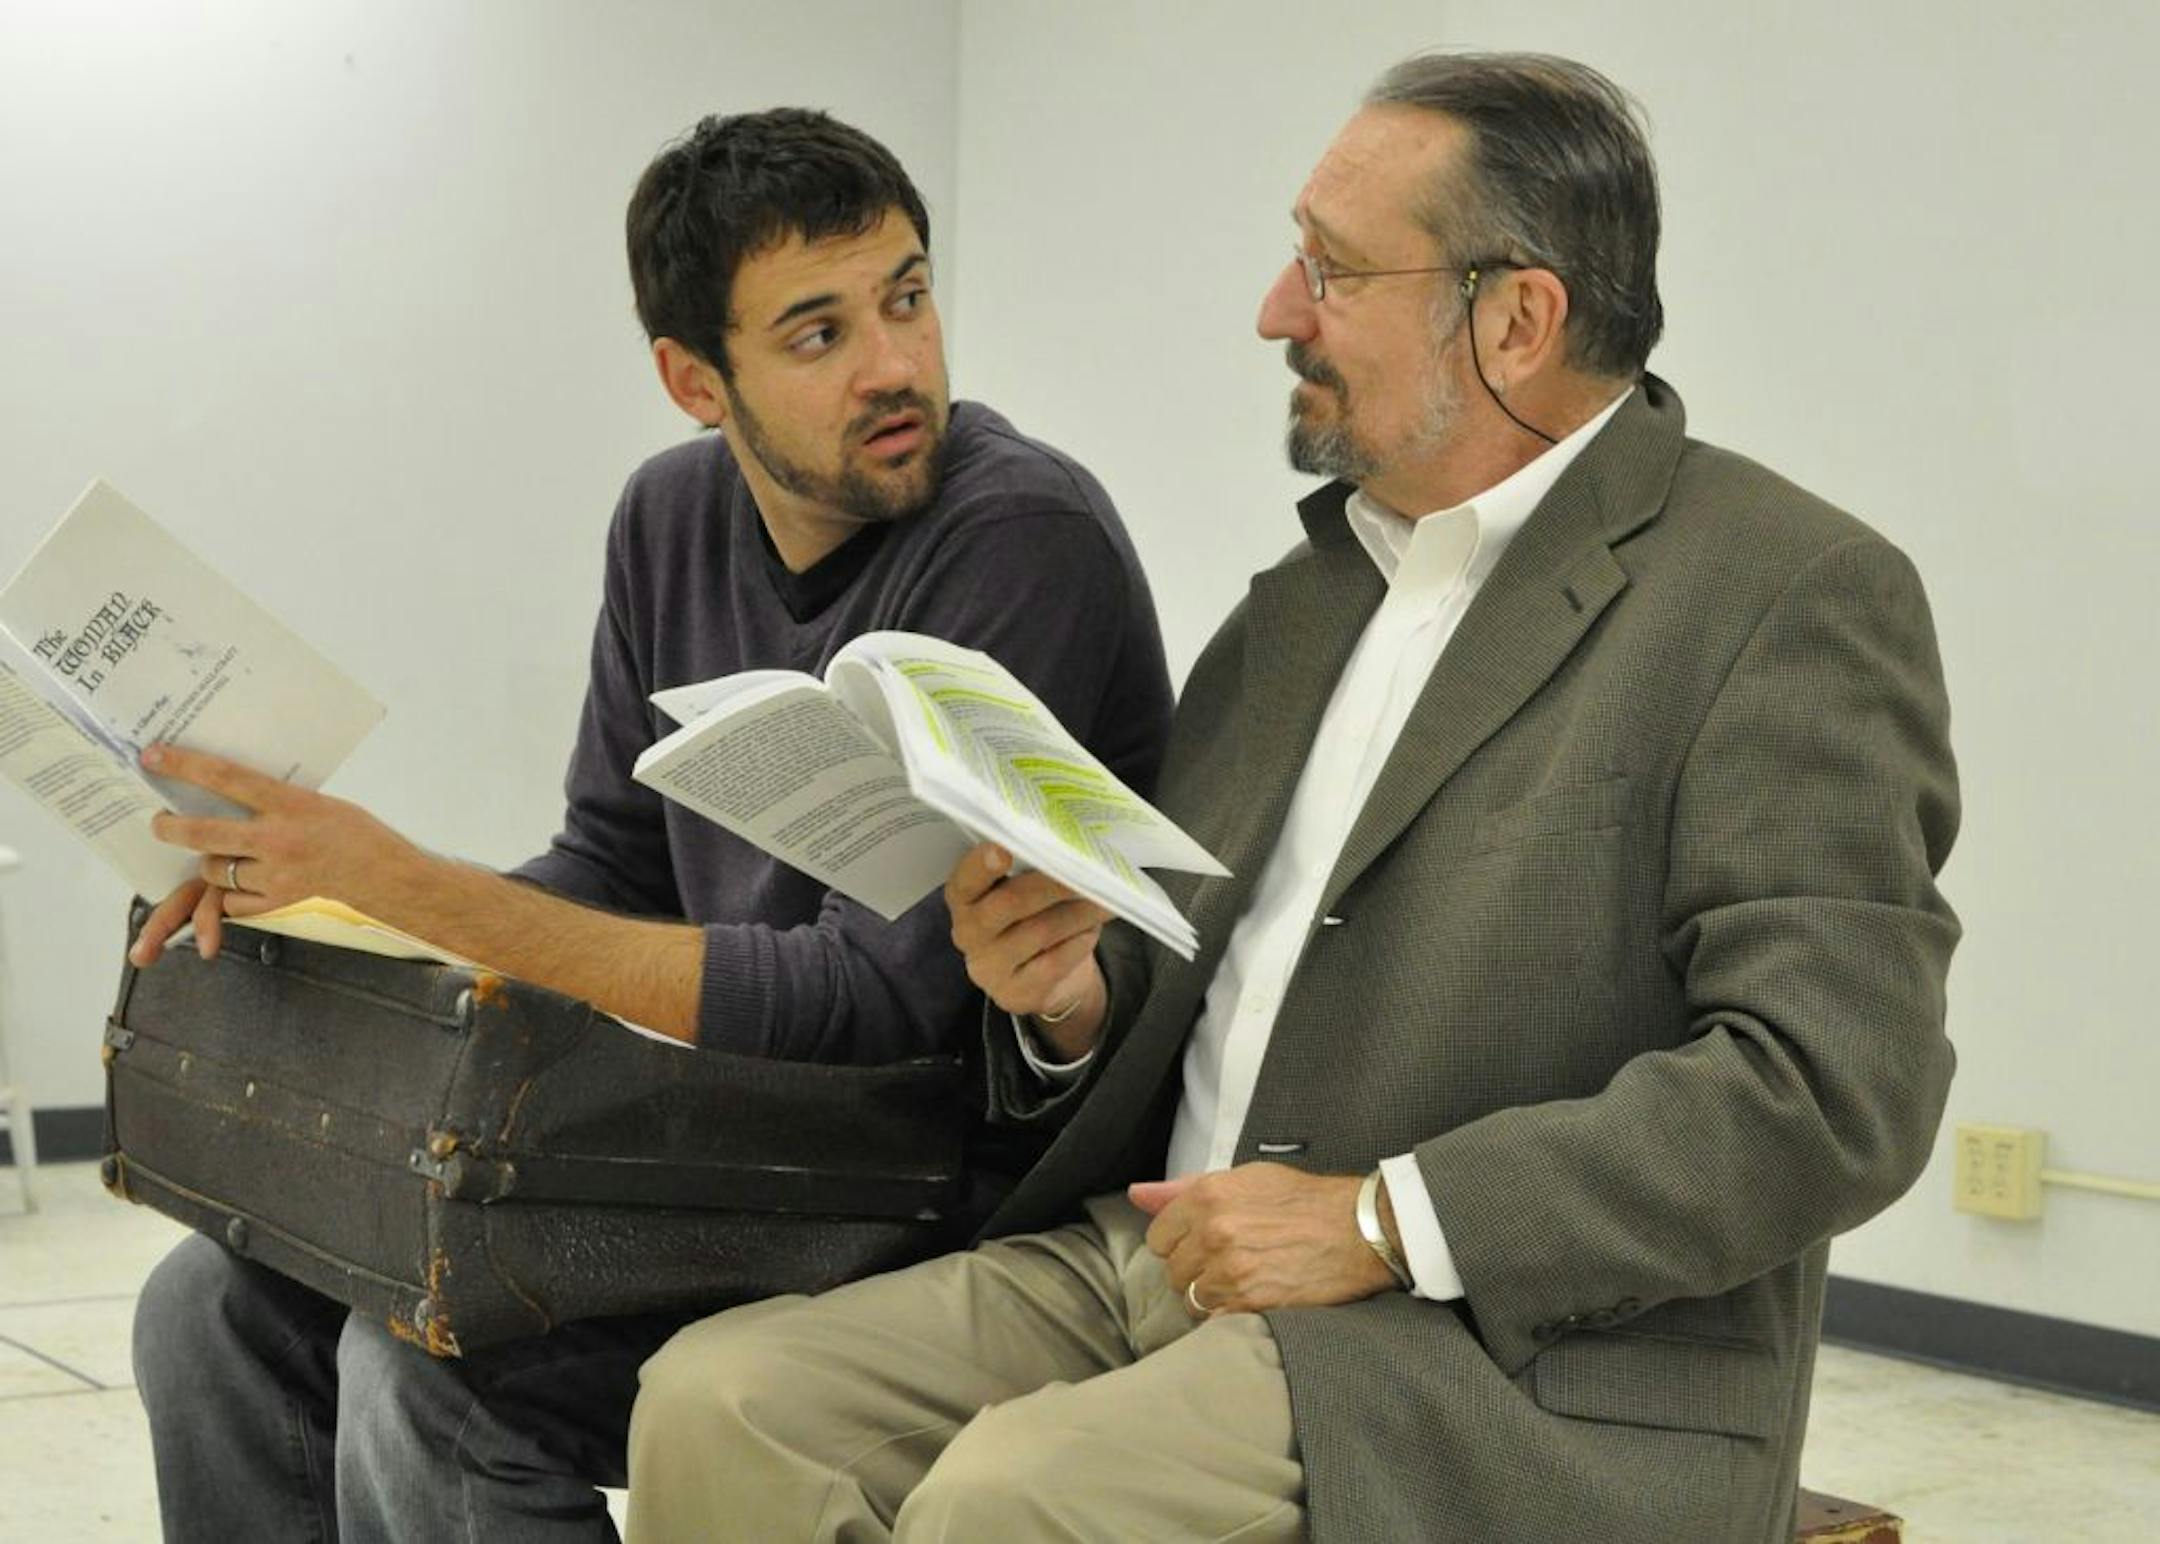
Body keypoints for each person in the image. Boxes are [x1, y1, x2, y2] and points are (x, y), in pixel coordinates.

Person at [624, 53, 1960, 1543]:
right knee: (716, 1400)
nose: (1275, 309)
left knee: (1017, 1502)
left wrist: (1384, 1220)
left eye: (1331, 270)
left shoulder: (1781, 594)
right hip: (1159, 1253)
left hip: (1490, 1347)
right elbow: (1193, 977)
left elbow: (1838, 1090)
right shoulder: (1306, 600)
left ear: (1515, 319)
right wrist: (1064, 999)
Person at [125, 108, 1174, 1543]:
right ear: (695, 380)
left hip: (919, 1177)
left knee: (429, 1377)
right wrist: (327, 902)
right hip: (719, 1142)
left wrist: (418, 886)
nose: (894, 365)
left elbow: (882, 1001)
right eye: (818, 334)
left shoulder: (1019, 538)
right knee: (205, 1311)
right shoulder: (669, 517)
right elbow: (612, 862)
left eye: (908, 297)